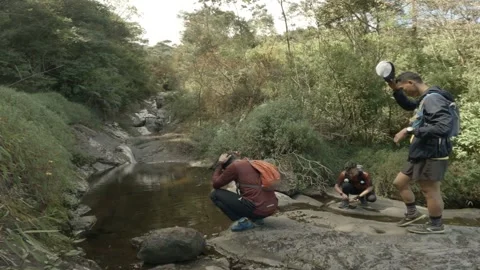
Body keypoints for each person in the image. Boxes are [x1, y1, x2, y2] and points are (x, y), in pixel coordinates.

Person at [387, 72, 456, 234]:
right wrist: (396, 90)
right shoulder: (426, 97)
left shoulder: (433, 99)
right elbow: (410, 106)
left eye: (404, 88)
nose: (405, 91)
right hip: (421, 150)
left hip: (433, 151)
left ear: (411, 82)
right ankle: (413, 214)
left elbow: (443, 127)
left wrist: (409, 129)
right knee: (400, 182)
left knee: (429, 190)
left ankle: (436, 225)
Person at [210, 152, 279, 232]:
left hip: (259, 209)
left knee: (215, 194)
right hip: (272, 207)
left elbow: (216, 184)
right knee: (251, 192)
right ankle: (257, 219)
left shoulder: (235, 166)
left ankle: (243, 222)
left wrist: (220, 164)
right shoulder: (252, 163)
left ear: (227, 165)